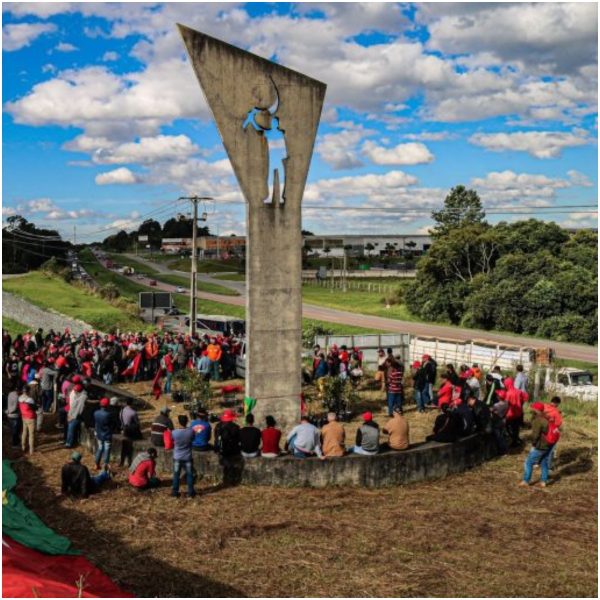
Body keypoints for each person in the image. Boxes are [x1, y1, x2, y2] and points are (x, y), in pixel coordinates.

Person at [520, 402, 553, 488]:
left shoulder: (538, 420)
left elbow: (535, 435)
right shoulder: (546, 418)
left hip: (541, 445)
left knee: (528, 462)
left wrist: (533, 444)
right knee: (543, 462)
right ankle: (543, 481)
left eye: (532, 408)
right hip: (549, 444)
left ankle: (526, 481)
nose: (531, 409)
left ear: (536, 410)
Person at [214, 409, 242, 485]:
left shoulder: (218, 426)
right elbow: (239, 440)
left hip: (220, 449)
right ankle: (232, 476)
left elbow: (216, 438)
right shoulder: (235, 427)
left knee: (226, 461)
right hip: (232, 450)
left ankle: (226, 475)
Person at [171, 415, 195, 498]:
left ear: (178, 422)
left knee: (176, 475)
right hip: (187, 457)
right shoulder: (191, 431)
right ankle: (190, 493)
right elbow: (192, 439)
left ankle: (174, 492)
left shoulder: (174, 432)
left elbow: (172, 440)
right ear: (187, 422)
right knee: (189, 475)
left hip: (177, 457)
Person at [504, 377, 529, 447]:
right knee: (516, 427)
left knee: (508, 427)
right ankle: (516, 439)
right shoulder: (519, 391)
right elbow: (526, 397)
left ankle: (514, 441)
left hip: (511, 413)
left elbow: (506, 404)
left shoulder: (508, 393)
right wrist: (521, 402)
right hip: (519, 412)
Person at [119, 398, 142, 467]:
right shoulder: (133, 412)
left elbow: (120, 419)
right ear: (132, 404)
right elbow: (138, 423)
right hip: (130, 432)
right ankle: (129, 463)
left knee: (124, 447)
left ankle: (122, 462)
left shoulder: (122, 411)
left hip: (123, 430)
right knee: (129, 448)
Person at [93, 397, 115, 470]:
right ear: (107, 405)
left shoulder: (96, 413)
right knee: (107, 450)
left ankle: (96, 464)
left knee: (99, 448)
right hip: (107, 434)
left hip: (99, 433)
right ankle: (105, 466)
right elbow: (112, 425)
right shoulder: (109, 415)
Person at [65, 382, 87, 448]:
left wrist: (73, 417)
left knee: (71, 430)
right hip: (71, 414)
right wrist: (69, 414)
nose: (74, 391)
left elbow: (79, 409)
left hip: (75, 416)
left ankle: (69, 443)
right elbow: (72, 406)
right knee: (70, 429)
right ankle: (69, 442)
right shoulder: (77, 395)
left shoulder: (82, 397)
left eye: (75, 390)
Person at [18, 384, 37, 455]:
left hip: (24, 417)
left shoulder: (19, 398)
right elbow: (35, 408)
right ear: (28, 391)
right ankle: (31, 450)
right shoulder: (30, 399)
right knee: (31, 434)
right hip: (31, 418)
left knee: (24, 432)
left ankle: (23, 446)